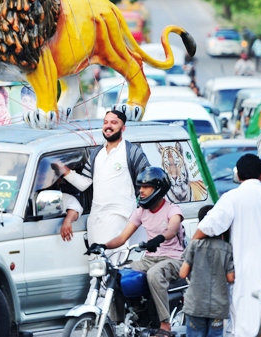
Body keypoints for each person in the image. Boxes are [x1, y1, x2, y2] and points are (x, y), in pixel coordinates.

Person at [193, 154, 261, 337]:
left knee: (245, 325)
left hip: (246, 276)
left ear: (238, 175)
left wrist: (194, 246)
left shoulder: (232, 198)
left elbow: (206, 227)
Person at [98, 167, 182, 334]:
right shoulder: (141, 212)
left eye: (146, 187)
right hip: (150, 259)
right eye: (140, 187)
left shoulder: (172, 209)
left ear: (158, 188)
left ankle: (165, 325)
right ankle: (119, 322)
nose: (141, 191)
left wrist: (158, 239)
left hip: (174, 259)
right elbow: (122, 238)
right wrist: (102, 246)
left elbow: (172, 229)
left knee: (154, 274)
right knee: (116, 274)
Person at [53, 110, 150, 248]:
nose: (108, 126)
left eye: (114, 122)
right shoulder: (96, 154)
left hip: (121, 216)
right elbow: (84, 184)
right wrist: (63, 170)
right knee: (97, 262)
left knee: (112, 262)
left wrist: (142, 209)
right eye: (105, 122)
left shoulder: (132, 152)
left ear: (123, 128)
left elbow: (148, 180)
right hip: (96, 219)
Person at [180, 205, 234, 337]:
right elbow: (231, 278)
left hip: (195, 305)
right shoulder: (227, 248)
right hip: (217, 307)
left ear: (200, 225)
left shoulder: (194, 245)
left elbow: (182, 273)